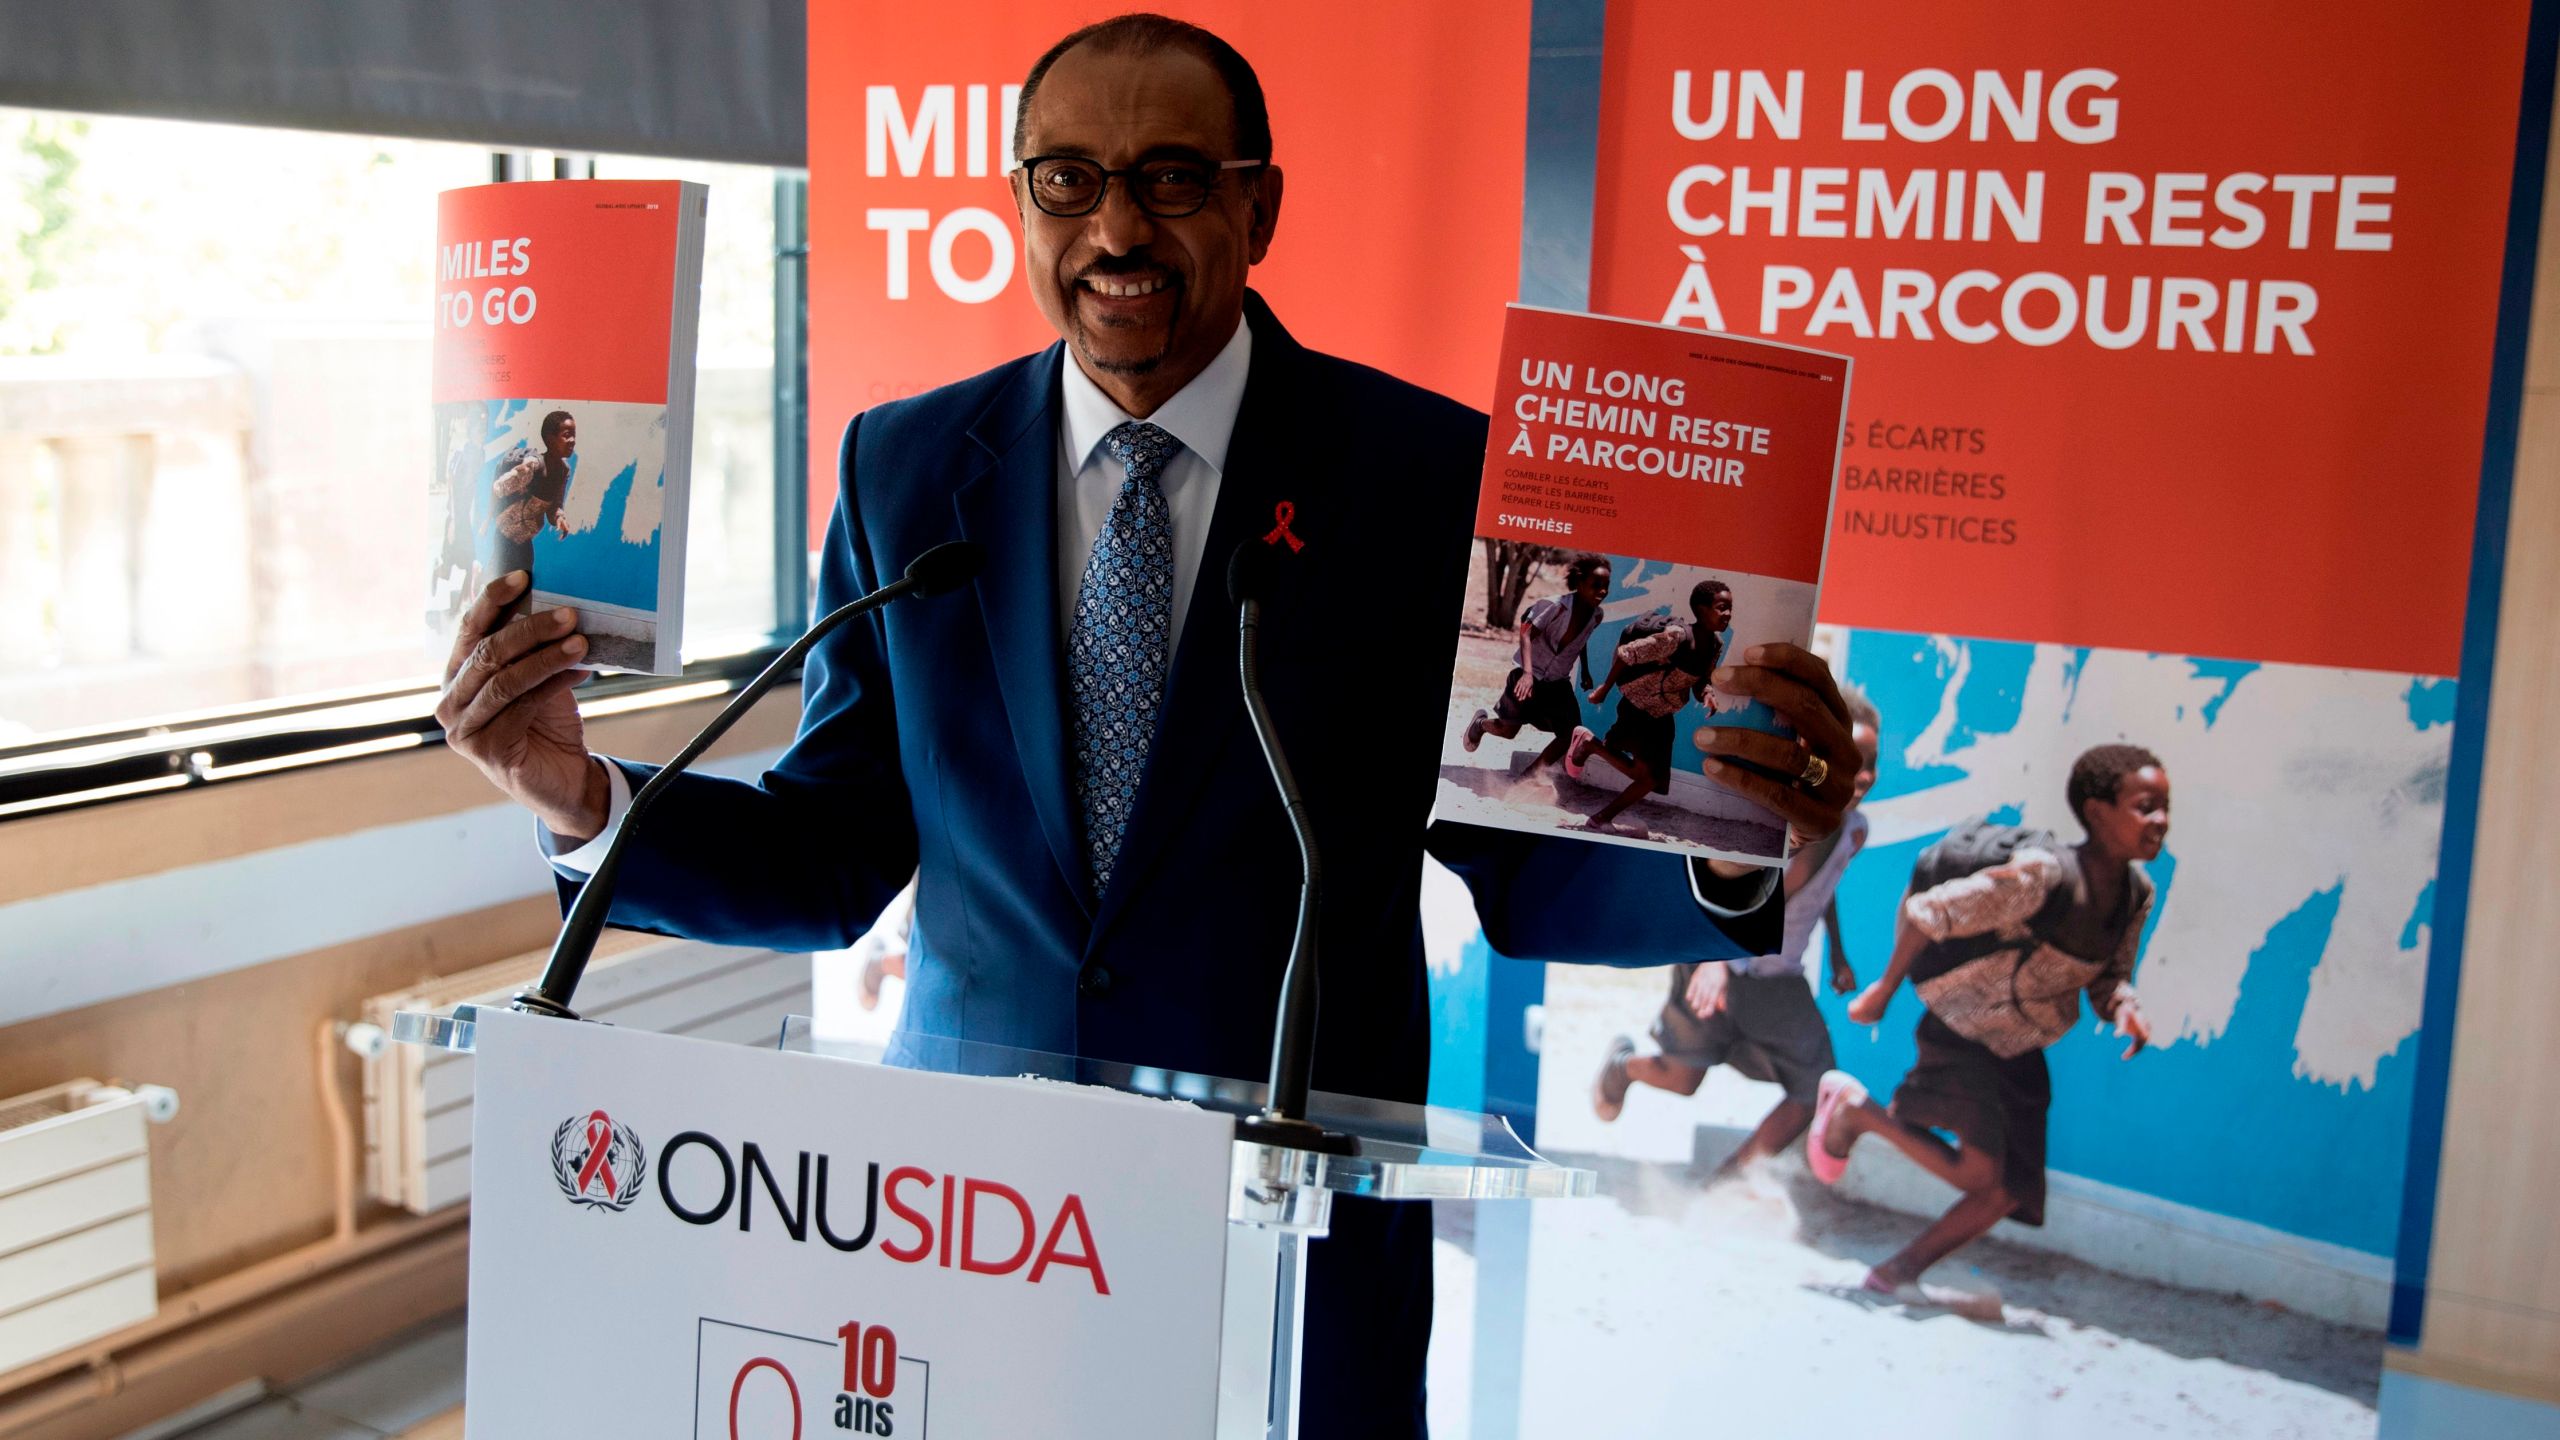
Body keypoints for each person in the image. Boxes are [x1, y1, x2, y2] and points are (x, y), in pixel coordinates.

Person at [432, 16, 1862, 1435]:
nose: (1116, 225)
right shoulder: (906, 465)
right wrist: (580, 797)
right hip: (970, 1232)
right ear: (1019, 200)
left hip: (1293, 1225)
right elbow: (834, 848)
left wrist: (1728, 846)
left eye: (1172, 177)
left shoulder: (1425, 476)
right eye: (1068, 179)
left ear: (1261, 207)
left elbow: (1531, 861)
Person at [1805, 743, 2168, 1307]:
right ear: (2097, 812)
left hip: (2022, 1042)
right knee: (1980, 1175)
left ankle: (1895, 1273)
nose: (2160, 820)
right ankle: (1858, 1112)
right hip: (1963, 1027)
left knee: (2007, 1190)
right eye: (2146, 806)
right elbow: (1932, 912)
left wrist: (2123, 1005)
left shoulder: (2136, 895)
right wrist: (1882, 990)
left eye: (2165, 807)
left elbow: (2109, 974)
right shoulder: (2041, 877)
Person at [1591, 687, 1881, 1179]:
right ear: (1818, 759)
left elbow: (1821, 889)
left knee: (1815, 1088)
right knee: (1683, 1078)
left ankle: (1725, 1186)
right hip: (1718, 957)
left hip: (1774, 975)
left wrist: (1838, 953)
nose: (1866, 775)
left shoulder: (1854, 829)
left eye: (1873, 761)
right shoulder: (1780, 821)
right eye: (1851, 759)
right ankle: (1624, 1065)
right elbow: (1742, 894)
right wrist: (1714, 961)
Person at [1568, 578, 1732, 830]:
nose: (1728, 613)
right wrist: (1604, 688)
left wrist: (1707, 694)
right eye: (1721, 607)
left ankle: (1599, 815)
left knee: (1652, 780)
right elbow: (1627, 654)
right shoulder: (1676, 638)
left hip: (1663, 712)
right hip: (1638, 705)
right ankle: (1591, 751)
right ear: (1701, 610)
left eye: (1730, 607)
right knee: (1644, 776)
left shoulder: (1715, 645)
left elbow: (1701, 681)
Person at [1461, 554, 1608, 769]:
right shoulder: (1554, 606)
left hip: (1557, 683)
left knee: (1569, 735)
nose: (1602, 591)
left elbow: (1580, 640)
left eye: (1606, 586)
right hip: (1528, 676)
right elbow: (1526, 633)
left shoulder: (1596, 616)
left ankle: (1527, 782)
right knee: (1508, 731)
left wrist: (1585, 669)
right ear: (1579, 583)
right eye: (1596, 585)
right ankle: (1480, 724)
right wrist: (1528, 674)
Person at [484, 409, 577, 584]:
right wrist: (490, 517)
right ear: (550, 439)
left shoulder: (563, 471)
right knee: (500, 582)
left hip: (524, 538)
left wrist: (559, 518)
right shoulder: (532, 467)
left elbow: (554, 506)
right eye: (566, 435)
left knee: (523, 582)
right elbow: (498, 487)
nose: (572, 440)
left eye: (573, 435)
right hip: (506, 535)